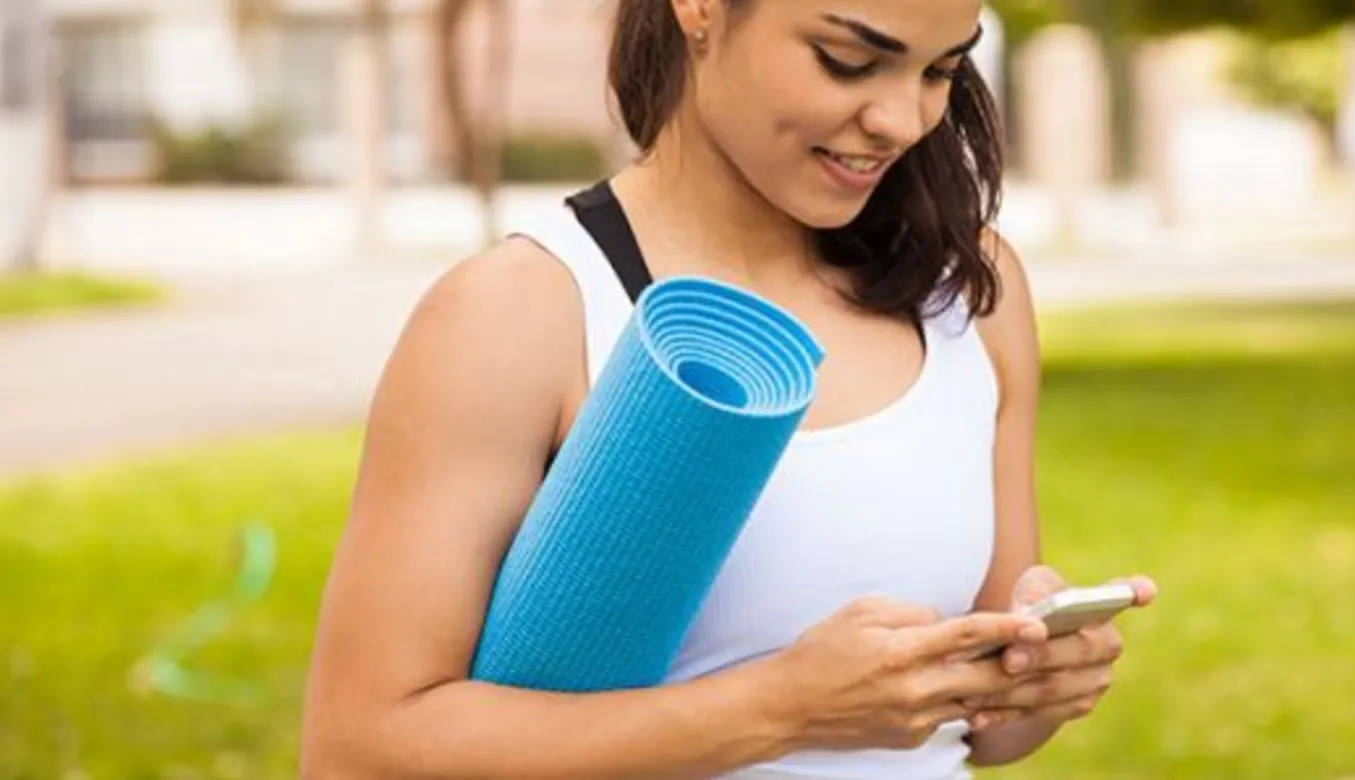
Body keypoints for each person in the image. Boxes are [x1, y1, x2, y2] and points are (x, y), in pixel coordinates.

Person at [297, 0, 1158, 777]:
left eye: (938, 71)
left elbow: (978, 733)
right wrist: (779, 709)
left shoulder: (967, 292)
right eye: (847, 60)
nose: (901, 120)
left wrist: (1034, 683)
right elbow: (359, 750)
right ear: (700, 8)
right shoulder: (526, 310)